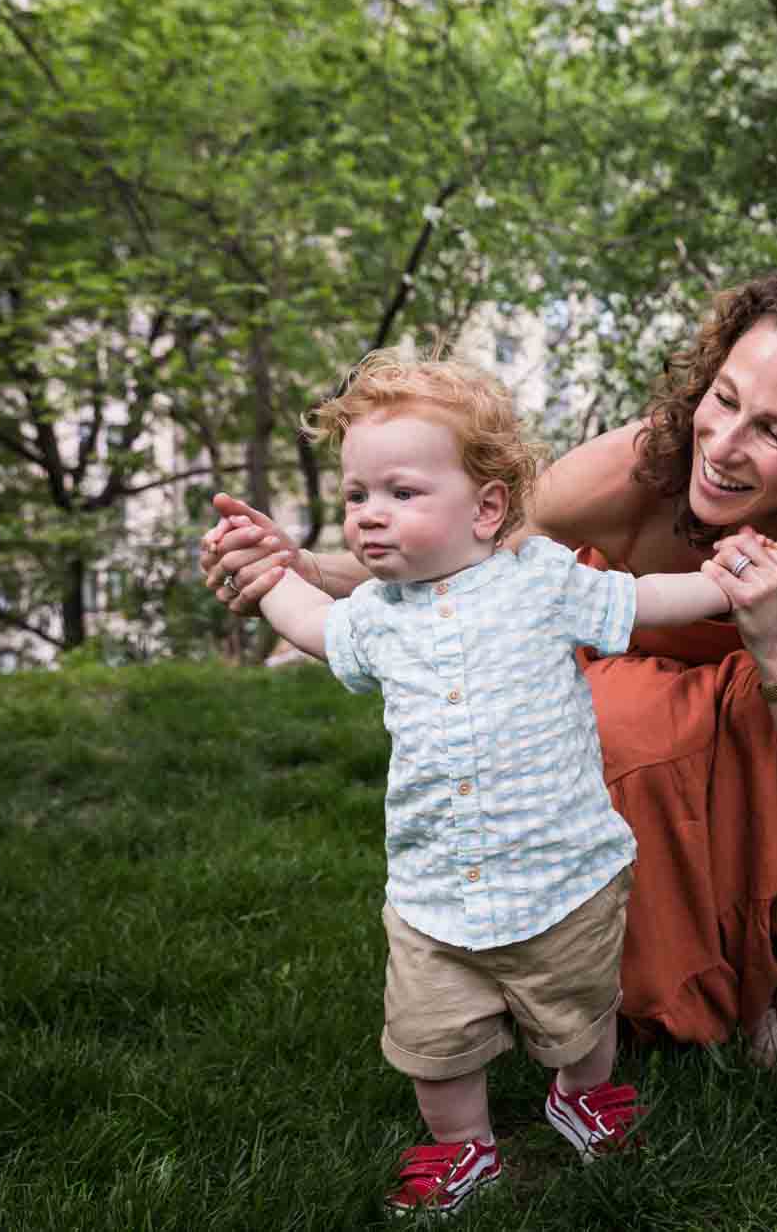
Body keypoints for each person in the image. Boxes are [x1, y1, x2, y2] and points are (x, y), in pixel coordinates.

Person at [204, 271, 777, 1073]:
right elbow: (468, 557)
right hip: (622, 713)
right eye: (724, 399)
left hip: (776, 737)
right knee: (628, 718)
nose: (724, 445)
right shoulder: (642, 466)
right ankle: (603, 981)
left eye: (775, 432)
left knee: (747, 711)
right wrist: (305, 569)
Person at [231, 351, 738, 1216]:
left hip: (564, 876)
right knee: (438, 1042)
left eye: (400, 493)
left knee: (582, 1012)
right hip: (437, 895)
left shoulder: (540, 582)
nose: (369, 517)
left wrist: (717, 583)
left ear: (487, 507)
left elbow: (636, 599)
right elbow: (313, 623)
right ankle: (465, 1147)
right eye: (357, 496)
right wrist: (269, 572)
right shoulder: (377, 618)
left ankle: (583, 1092)